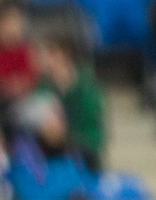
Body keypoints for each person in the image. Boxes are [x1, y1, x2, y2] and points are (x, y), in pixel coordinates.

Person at [33, 33, 108, 170]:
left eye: (50, 54)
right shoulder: (43, 86)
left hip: (83, 141)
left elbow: (91, 118)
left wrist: (68, 134)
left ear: (64, 55)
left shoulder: (86, 83)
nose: (44, 59)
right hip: (53, 146)